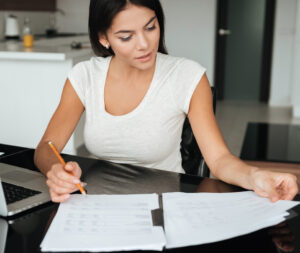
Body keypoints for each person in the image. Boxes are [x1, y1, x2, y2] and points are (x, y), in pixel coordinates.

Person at [34, 0, 298, 203]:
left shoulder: (187, 76)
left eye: (151, 27)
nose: (145, 44)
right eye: (126, 37)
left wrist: (255, 176)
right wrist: (56, 170)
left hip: (161, 207)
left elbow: (218, 159)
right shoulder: (85, 76)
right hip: (97, 206)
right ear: (104, 39)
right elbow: (47, 147)